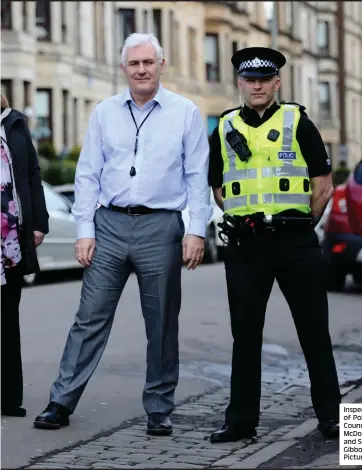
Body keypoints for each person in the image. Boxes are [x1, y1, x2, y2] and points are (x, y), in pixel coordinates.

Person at [34, 33, 211, 434]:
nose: (142, 69)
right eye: (134, 64)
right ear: (124, 69)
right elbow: (88, 175)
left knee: (162, 322)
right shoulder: (104, 112)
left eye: (149, 62)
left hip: (161, 226)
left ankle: (159, 408)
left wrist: (196, 231)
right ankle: (60, 401)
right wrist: (84, 230)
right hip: (108, 225)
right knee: (89, 318)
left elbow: (198, 177)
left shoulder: (186, 113)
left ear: (161, 65)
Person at [207, 47, 342, 443]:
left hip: (295, 240)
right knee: (245, 336)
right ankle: (241, 422)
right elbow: (218, 187)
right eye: (250, 79)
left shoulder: (297, 121)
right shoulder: (224, 126)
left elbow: (323, 185)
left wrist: (300, 224)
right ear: (240, 84)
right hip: (246, 245)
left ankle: (332, 417)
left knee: (313, 330)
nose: (257, 85)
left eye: (265, 79)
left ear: (277, 82)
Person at [1, 94, 49, 417]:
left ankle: (8, 398)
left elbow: (33, 174)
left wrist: (39, 223)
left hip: (10, 242)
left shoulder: (16, 124)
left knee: (7, 319)